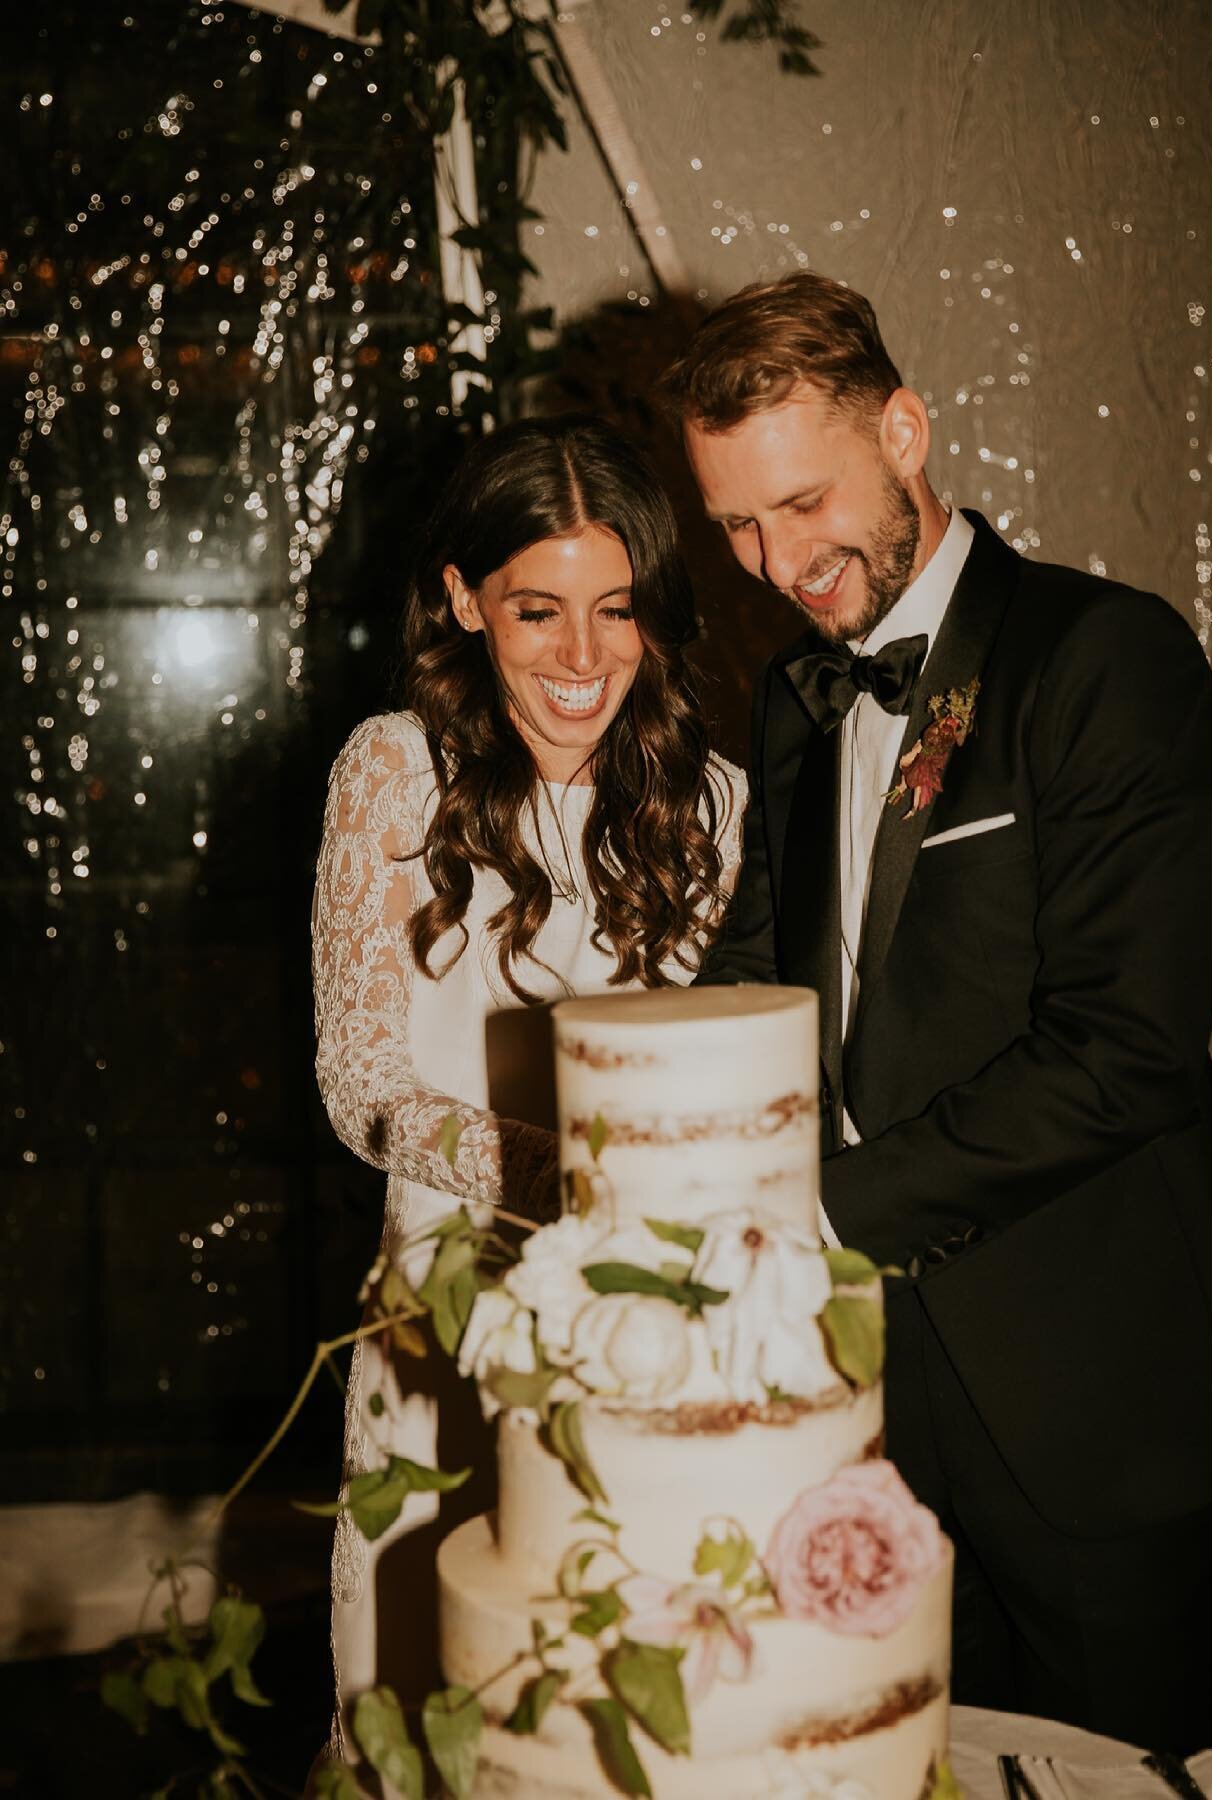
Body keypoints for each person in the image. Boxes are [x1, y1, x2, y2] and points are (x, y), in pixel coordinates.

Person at [662, 272, 1212, 1756]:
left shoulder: (1108, 660)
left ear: (905, 430)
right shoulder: (793, 696)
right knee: (919, 1764)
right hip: (871, 1398)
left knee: (1131, 1774)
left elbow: (1125, 1057)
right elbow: (759, 986)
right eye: (737, 525)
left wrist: (819, 1213)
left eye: (801, 502)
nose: (777, 560)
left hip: (1094, 1376)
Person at [310, 413, 744, 1751]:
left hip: (654, 1332)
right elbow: (361, 1081)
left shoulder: (718, 801)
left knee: (619, 1717)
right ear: (462, 598)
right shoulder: (397, 770)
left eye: (616, 610)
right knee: (426, 1716)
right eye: (537, 609)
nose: (580, 656)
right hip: (444, 1323)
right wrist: (581, 1185)